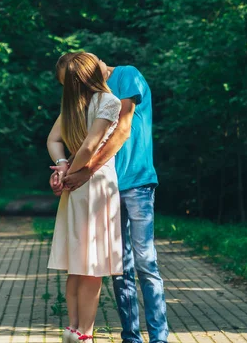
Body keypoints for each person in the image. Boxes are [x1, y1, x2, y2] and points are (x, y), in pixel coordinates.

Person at [50, 52, 169, 343]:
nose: (73, 88)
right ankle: (131, 336)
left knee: (144, 261)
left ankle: (159, 337)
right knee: (119, 266)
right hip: (104, 187)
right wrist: (67, 170)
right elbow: (66, 136)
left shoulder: (126, 75)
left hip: (135, 181)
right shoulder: (88, 97)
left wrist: (83, 171)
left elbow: (122, 130)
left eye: (74, 80)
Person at [46, 52, 123, 342]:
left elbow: (53, 140)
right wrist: (70, 173)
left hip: (75, 189)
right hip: (96, 185)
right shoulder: (109, 102)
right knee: (93, 267)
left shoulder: (74, 106)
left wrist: (63, 168)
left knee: (78, 263)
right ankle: (85, 334)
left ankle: (72, 326)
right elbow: (91, 148)